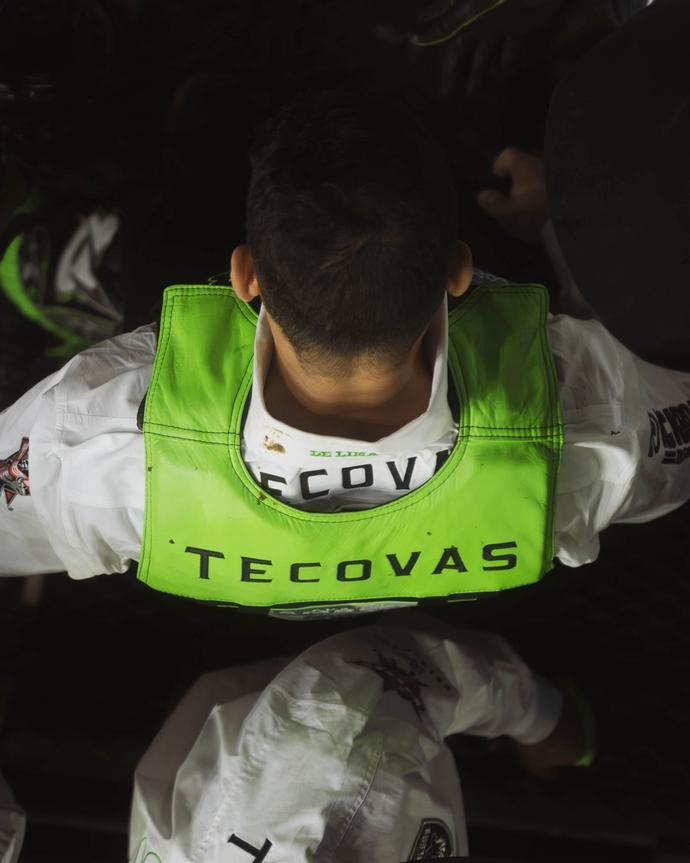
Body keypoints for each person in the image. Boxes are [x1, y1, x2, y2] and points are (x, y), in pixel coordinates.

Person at [2, 87, 690, 620]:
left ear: (244, 276)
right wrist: (558, 224)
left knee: (172, 225)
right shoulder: (604, 423)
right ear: (457, 272)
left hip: (229, 625)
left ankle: (90, 272)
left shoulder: (89, 437)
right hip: (447, 621)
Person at [128, 613, 591, 862]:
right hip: (387, 750)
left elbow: (363, 680)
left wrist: (537, 718)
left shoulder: (312, 810)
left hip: (305, 641)